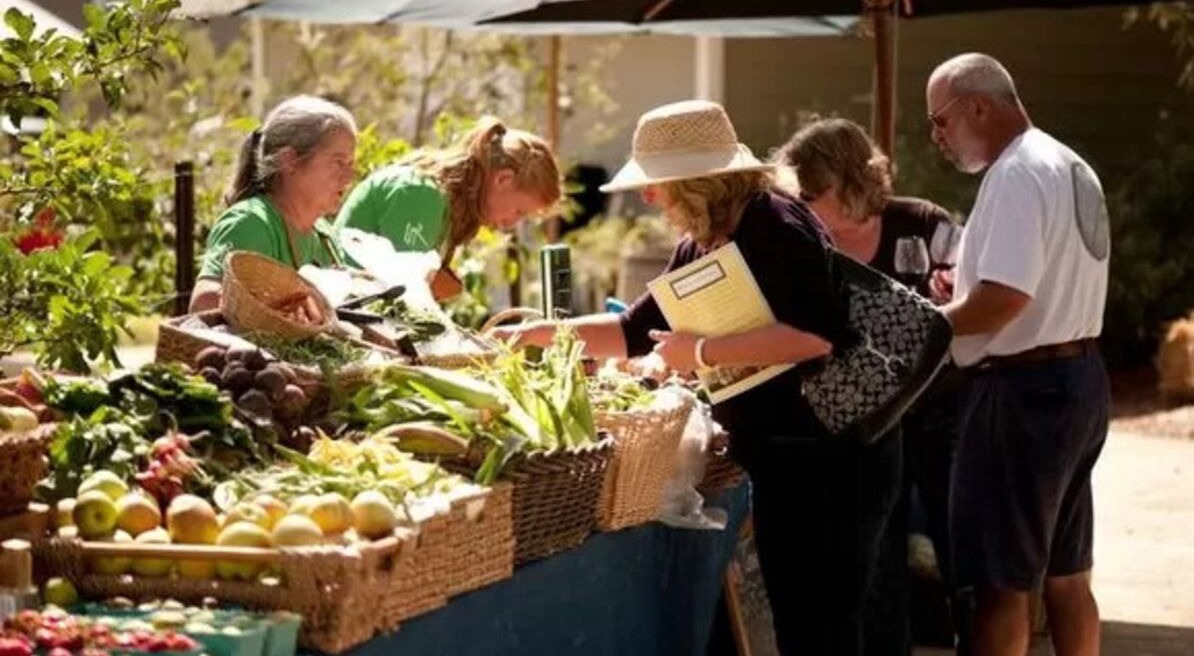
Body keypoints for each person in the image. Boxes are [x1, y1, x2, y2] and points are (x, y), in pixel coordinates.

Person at [493, 100, 900, 655]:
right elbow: (633, 332)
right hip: (784, 460)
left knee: (823, 627)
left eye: (656, 185)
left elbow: (815, 337)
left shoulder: (773, 221)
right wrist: (535, 333)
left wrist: (703, 350)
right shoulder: (702, 239)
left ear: (694, 182)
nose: (647, 197)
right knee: (800, 625)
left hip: (836, 459)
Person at [926, 53, 1110, 656]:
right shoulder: (1067, 161)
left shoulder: (1014, 173)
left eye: (941, 121)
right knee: (1066, 575)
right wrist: (967, 295)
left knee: (999, 586)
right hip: (1078, 380)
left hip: (1024, 393)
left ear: (977, 105)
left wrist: (927, 325)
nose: (938, 138)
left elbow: (1006, 298)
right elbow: (1031, 284)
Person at [777, 118, 964, 655]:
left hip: (939, 413)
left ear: (852, 179)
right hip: (864, 430)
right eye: (797, 196)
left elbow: (966, 303)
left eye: (811, 193)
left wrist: (952, 292)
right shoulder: (803, 241)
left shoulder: (922, 224)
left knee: (961, 555)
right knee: (877, 572)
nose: (803, 206)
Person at [334, 116, 560, 300]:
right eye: (518, 211)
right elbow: (401, 297)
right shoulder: (421, 195)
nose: (511, 223)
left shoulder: (443, 207)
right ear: (503, 179)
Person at [190, 95, 358, 312]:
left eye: (351, 164)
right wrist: (287, 308)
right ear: (289, 160)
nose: (349, 176)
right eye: (338, 162)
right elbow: (204, 303)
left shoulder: (325, 237)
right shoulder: (252, 224)